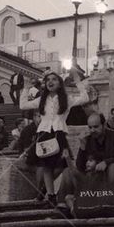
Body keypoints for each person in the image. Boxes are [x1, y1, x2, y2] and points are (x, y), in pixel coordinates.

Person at [20, 64, 90, 206]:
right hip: (44, 133)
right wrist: (26, 87)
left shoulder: (66, 99)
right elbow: (23, 105)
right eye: (48, 80)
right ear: (45, 84)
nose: (50, 82)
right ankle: (50, 195)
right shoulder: (41, 100)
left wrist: (77, 81)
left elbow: (85, 98)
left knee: (63, 164)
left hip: (59, 133)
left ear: (60, 83)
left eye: (54, 79)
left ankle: (44, 190)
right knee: (46, 165)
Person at [57, 114, 114, 214]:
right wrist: (82, 146)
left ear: (104, 125)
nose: (92, 130)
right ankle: (62, 205)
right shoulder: (88, 139)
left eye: (96, 127)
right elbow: (80, 167)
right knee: (68, 171)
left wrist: (106, 162)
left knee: (113, 167)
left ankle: (111, 203)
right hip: (95, 180)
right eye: (90, 127)